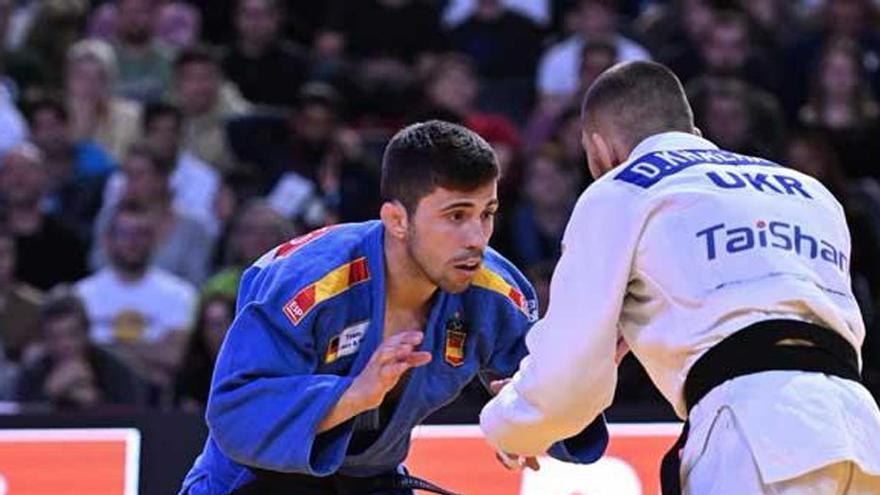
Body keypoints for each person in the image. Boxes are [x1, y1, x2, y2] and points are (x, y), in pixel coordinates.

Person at [480, 61, 880, 494]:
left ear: (599, 149)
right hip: (860, 428)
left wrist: (512, 423)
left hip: (750, 435)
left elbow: (569, 371)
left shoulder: (623, 191)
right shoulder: (809, 191)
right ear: (692, 128)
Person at [179, 120, 608, 495]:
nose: (477, 238)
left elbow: (539, 395)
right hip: (255, 481)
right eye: (457, 216)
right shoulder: (309, 284)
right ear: (397, 220)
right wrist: (352, 395)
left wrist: (553, 404)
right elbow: (234, 411)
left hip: (372, 481)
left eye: (487, 213)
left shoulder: (495, 295)